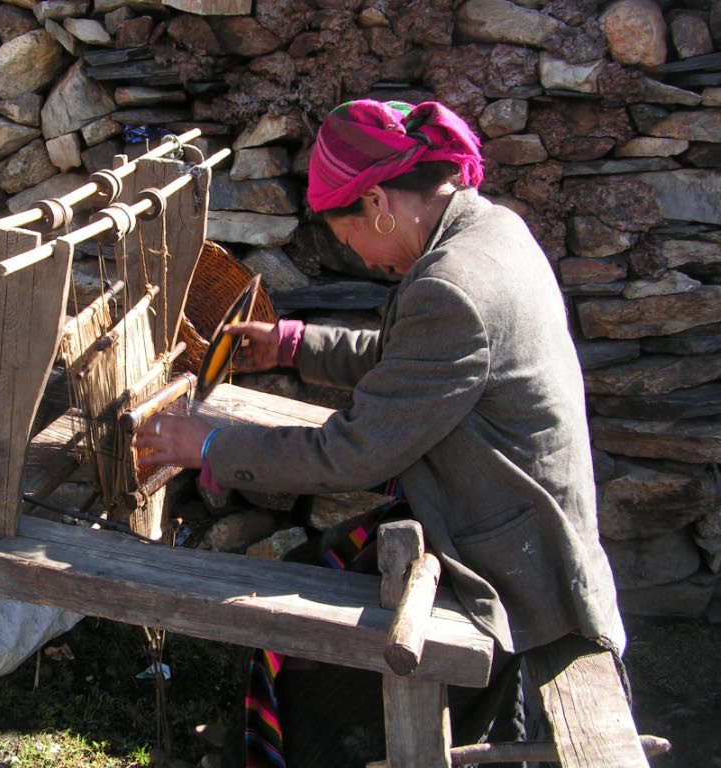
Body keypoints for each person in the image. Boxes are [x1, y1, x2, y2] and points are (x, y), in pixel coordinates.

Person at [136, 99, 625, 767]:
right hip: (512, 528)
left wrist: (211, 445)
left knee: (298, 649)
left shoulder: (452, 287)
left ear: (377, 203)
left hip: (507, 570)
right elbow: (413, 362)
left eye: (346, 236)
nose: (356, 253)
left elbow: (352, 452)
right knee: (313, 575)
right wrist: (291, 345)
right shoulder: (490, 232)